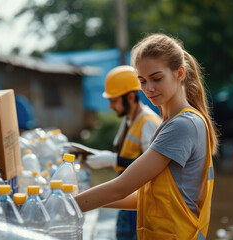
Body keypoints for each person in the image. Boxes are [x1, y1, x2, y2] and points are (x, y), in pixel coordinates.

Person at [76, 33, 219, 239]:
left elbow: (121, 187)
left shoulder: (183, 124)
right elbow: (142, 199)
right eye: (142, 81)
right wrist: (79, 198)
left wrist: (67, 206)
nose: (148, 89)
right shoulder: (170, 122)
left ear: (180, 73)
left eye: (156, 78)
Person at [85, 65, 161, 240]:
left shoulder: (148, 122)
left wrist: (112, 160)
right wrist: (95, 154)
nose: (110, 106)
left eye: (114, 100)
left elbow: (150, 169)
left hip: (140, 201)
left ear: (130, 97)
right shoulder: (130, 120)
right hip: (128, 195)